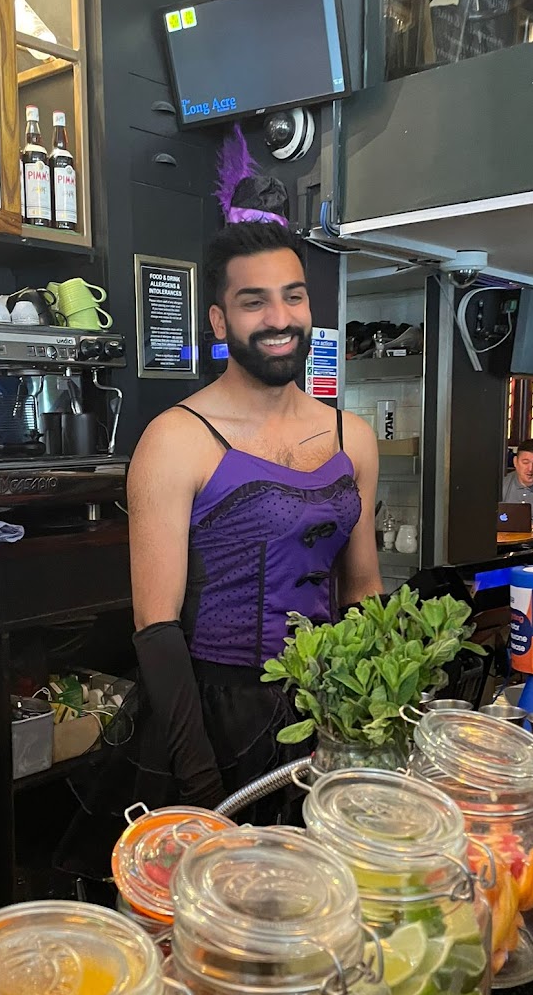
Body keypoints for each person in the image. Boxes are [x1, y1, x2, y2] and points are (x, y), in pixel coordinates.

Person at [125, 221, 383, 810]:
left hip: (325, 712)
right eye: (253, 301)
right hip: (215, 716)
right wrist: (201, 786)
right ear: (219, 321)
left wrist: (372, 717)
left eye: (293, 295)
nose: (279, 318)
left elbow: (362, 588)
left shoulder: (354, 436)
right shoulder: (175, 440)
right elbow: (155, 626)